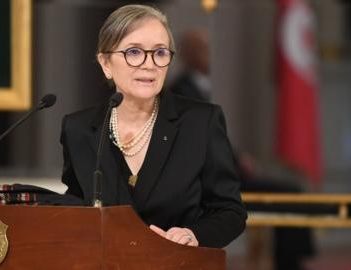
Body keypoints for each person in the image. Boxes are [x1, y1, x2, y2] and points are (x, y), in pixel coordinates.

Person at [60, 4, 247, 248]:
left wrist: (194, 234)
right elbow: (75, 208)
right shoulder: (79, 129)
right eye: (134, 52)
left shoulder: (201, 122)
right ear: (105, 63)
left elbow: (230, 211)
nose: (149, 64)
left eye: (160, 53)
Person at [170, 29, 315, 269]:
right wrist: (234, 161)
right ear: (189, 54)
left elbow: (214, 137)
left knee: (291, 191)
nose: (211, 56)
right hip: (209, 176)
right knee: (290, 191)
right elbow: (200, 141)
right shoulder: (182, 90)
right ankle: (290, 264)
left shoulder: (201, 86)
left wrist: (238, 157)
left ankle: (292, 260)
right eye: (204, 50)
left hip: (225, 168)